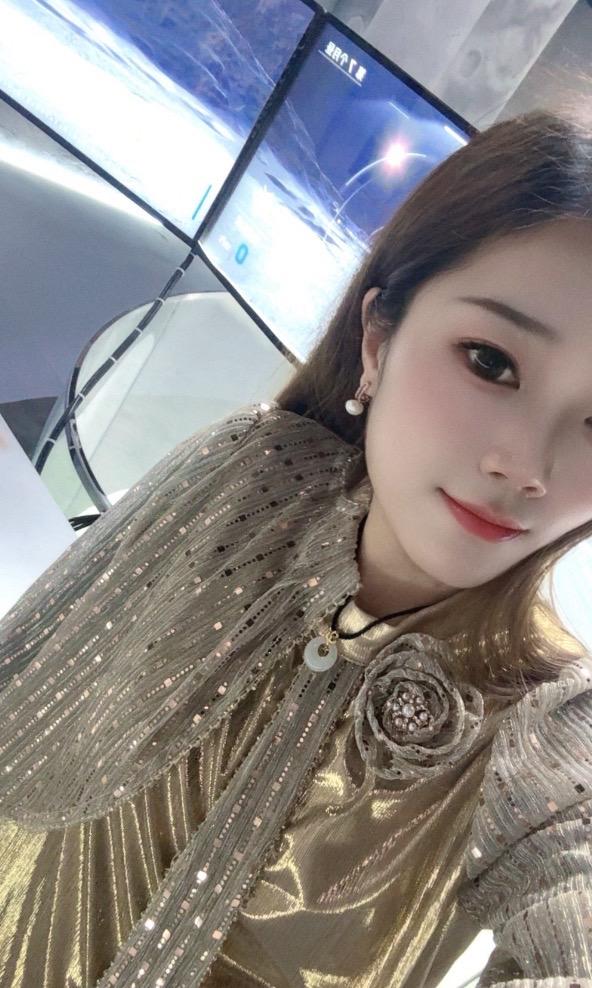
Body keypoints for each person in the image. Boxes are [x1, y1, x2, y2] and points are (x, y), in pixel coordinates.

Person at [0, 105, 591, 988]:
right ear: (379, 339)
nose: (527, 466)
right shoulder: (245, 477)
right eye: (489, 361)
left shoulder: (552, 726)